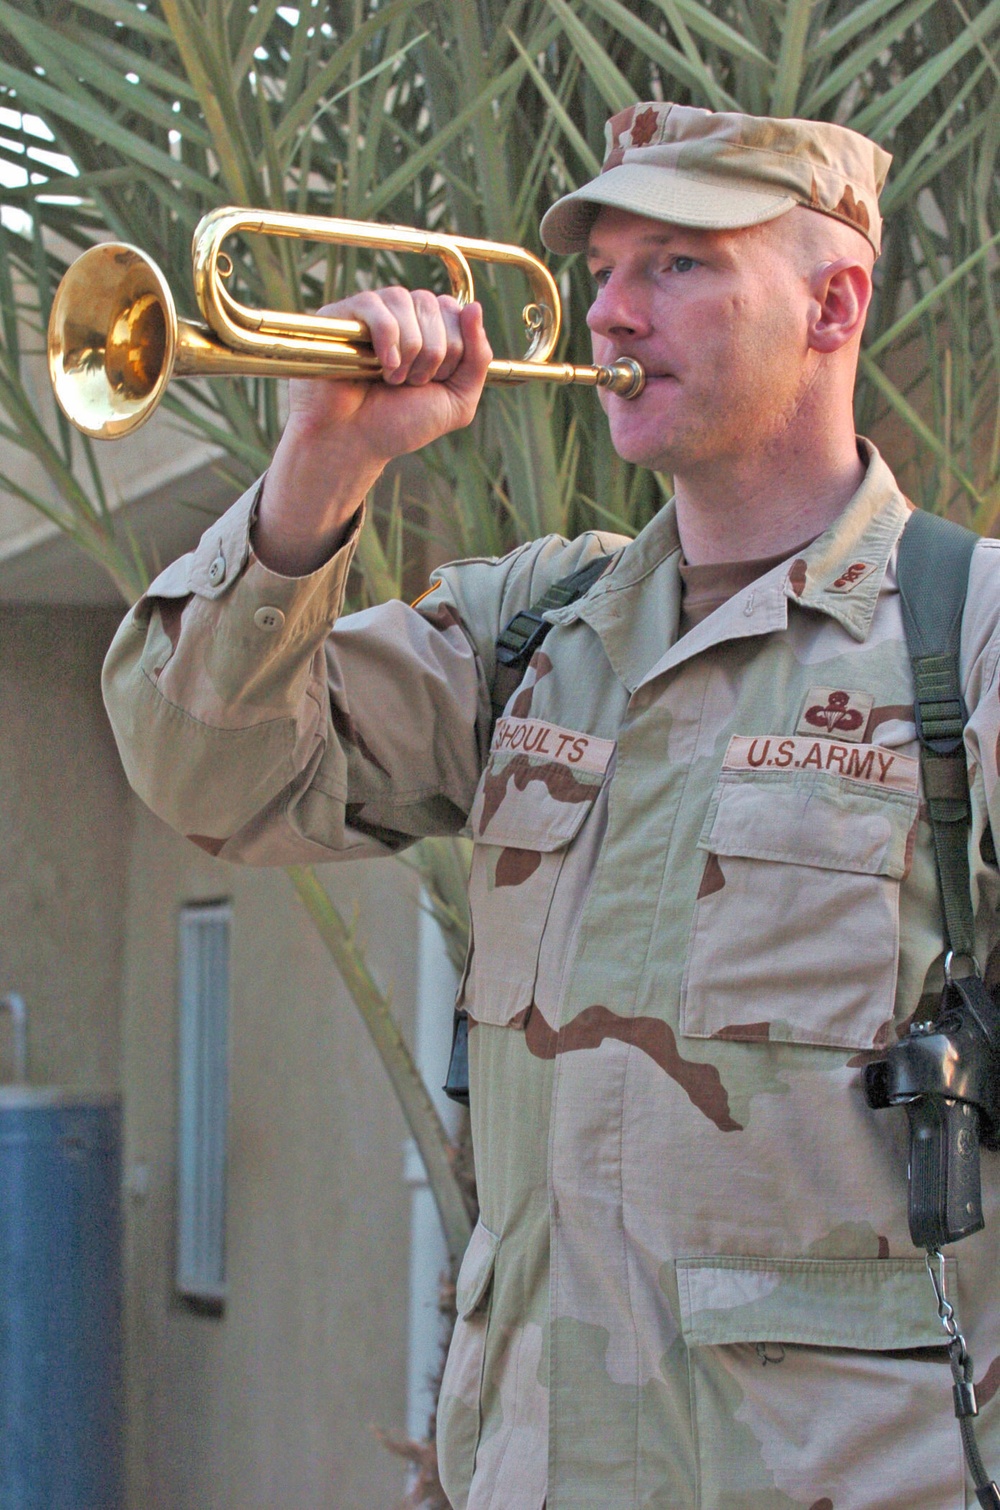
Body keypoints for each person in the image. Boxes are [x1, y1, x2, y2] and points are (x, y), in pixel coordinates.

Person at [103, 103, 1000, 1509]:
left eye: (681, 264)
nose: (613, 309)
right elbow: (200, 769)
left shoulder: (970, 638)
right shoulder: (536, 629)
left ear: (836, 304)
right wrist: (324, 465)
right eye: (607, 265)